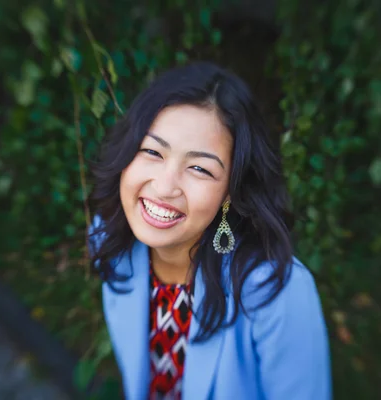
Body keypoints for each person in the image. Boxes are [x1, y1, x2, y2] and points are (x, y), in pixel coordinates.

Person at [88, 62, 331, 400]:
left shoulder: (277, 293)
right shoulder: (110, 238)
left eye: (199, 168)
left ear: (230, 191)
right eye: (152, 151)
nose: (164, 186)